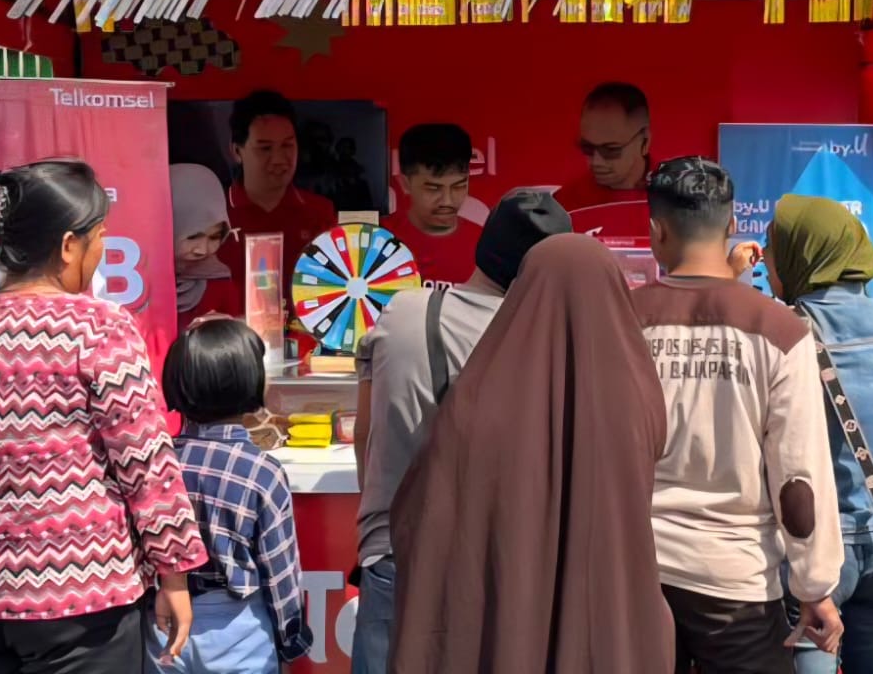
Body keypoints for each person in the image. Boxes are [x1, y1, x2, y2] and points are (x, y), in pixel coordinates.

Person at [0, 160, 207, 674]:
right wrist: (175, 574)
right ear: (70, 245)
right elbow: (146, 465)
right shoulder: (99, 329)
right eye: (100, 239)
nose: (101, 252)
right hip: (80, 601)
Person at [389, 234, 674, 674]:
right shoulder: (638, 395)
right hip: (606, 616)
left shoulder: (477, 397)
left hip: (504, 616)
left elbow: (426, 513)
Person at [634, 158, 844, 674]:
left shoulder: (621, 320)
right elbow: (799, 474)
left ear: (657, 231)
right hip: (736, 582)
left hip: (634, 572)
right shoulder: (781, 329)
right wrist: (814, 585)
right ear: (731, 225)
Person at [350, 189, 572, 674]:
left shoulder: (403, 312)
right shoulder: (550, 344)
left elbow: (364, 434)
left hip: (396, 553)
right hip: (496, 569)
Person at [769, 194, 873, 674]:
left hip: (811, 550)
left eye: (773, 249)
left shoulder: (780, 329)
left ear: (800, 254)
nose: (766, 261)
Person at [155, 317, 312, 673]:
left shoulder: (157, 463)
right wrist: (291, 641)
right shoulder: (262, 472)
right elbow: (280, 574)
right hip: (239, 630)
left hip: (162, 620)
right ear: (250, 381)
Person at [215, 90, 338, 329]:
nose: (279, 159)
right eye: (265, 148)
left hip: (305, 342)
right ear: (237, 151)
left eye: (287, 146)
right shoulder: (215, 213)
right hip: (231, 343)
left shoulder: (320, 212)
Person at [383, 123, 482, 289]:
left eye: (458, 186)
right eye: (433, 189)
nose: (447, 201)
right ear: (405, 183)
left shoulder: (487, 248)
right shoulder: (374, 241)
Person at [554, 81, 652, 215]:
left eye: (611, 150)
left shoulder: (675, 197)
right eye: (588, 148)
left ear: (645, 142)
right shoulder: (565, 204)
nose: (596, 162)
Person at [170, 163, 233, 328]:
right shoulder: (135, 284)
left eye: (214, 237)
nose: (203, 250)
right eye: (192, 236)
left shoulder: (219, 283)